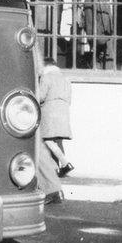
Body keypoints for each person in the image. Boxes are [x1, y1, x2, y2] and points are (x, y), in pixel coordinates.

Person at [37, 60, 73, 204]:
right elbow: (69, 99)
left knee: (46, 139)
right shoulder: (65, 79)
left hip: (49, 111)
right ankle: (58, 168)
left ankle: (65, 164)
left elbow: (40, 96)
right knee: (58, 140)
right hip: (63, 110)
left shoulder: (46, 77)